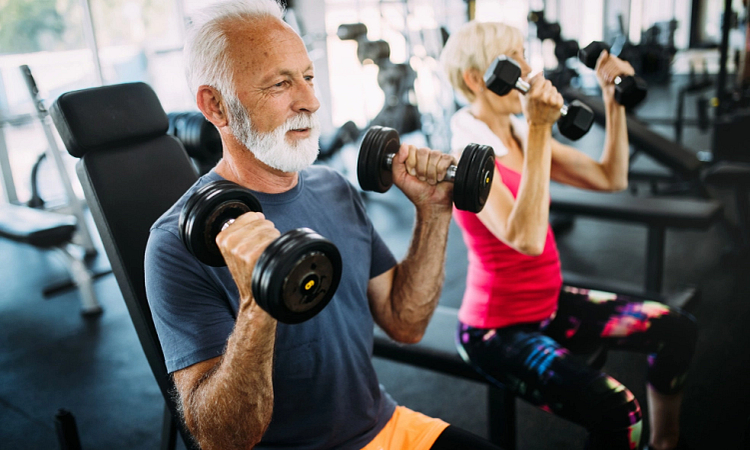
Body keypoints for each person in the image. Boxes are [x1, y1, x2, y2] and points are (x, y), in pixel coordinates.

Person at [145, 1, 502, 449]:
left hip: (386, 427)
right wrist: (258, 305)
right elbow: (222, 439)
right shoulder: (176, 244)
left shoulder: (333, 187)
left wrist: (433, 210)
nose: (311, 102)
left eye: (308, 77)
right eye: (280, 84)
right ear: (215, 105)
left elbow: (404, 323)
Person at [440, 21, 698, 450]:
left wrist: (613, 103)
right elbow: (526, 237)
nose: (528, 67)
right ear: (474, 79)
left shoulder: (517, 134)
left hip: (549, 302)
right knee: (621, 414)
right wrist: (541, 130)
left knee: (676, 329)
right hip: (496, 330)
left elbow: (611, 176)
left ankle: (665, 445)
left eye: (524, 54)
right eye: (513, 58)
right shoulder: (466, 157)